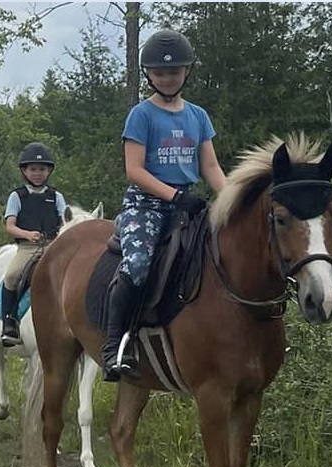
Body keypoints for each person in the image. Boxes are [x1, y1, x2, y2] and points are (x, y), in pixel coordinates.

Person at [101, 28, 228, 382]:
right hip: (145, 205)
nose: (167, 78)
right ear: (148, 75)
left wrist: (232, 198)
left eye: (173, 72)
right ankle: (114, 347)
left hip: (187, 204)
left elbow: (211, 167)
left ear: (186, 72)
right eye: (159, 73)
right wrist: (174, 196)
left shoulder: (198, 116)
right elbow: (133, 170)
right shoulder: (141, 116)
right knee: (139, 264)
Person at [0, 141, 68, 348]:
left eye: (42, 169)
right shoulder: (17, 196)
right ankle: (9, 322)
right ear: (25, 171)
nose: (37, 173)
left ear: (48, 171)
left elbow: (65, 221)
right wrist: (27, 234)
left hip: (53, 246)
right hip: (28, 247)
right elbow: (10, 226)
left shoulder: (56, 196)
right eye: (33, 169)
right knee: (12, 275)